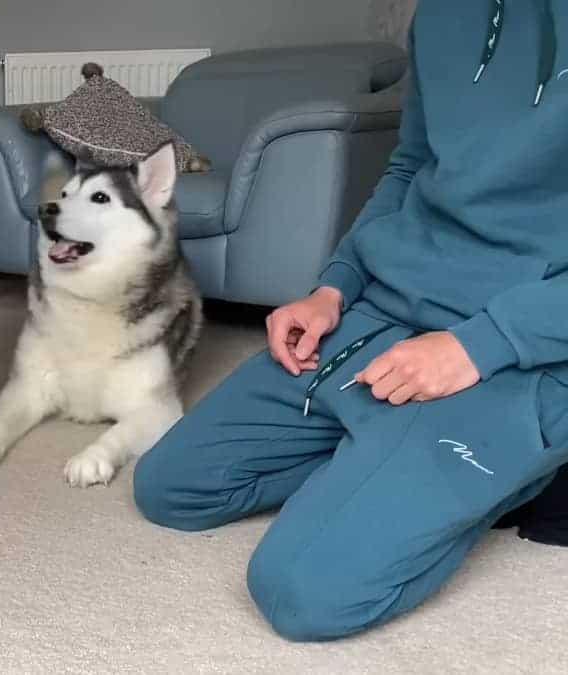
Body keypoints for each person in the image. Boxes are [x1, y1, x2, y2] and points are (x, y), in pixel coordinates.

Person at [132, 0, 568, 642]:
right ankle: (384, 455)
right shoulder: (442, 16)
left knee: (301, 593)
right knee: (170, 489)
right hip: (388, 311)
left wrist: (480, 345)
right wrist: (333, 288)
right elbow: (410, 167)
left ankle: (517, 464)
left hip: (518, 346)